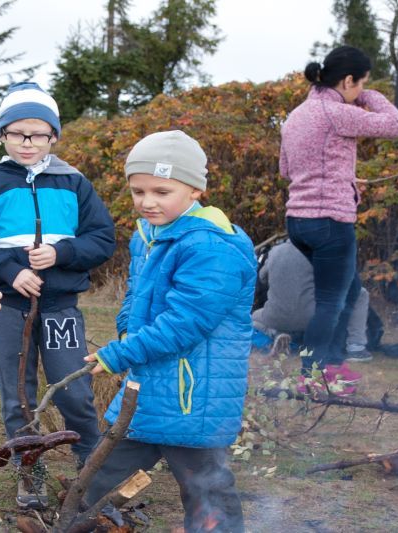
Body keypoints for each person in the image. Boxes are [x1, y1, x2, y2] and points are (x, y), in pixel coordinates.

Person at [0, 82, 116, 509]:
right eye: (17, 132)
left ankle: (91, 470)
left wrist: (62, 252)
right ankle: (30, 474)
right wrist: (8, 269)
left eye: (38, 133)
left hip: (61, 307)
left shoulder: (74, 183)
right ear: (2, 134)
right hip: (7, 307)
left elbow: (103, 239)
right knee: (16, 395)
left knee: (73, 388)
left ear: (53, 137)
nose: (27, 142)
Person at [82, 130, 255, 533]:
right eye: (138, 191)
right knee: (103, 474)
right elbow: (136, 295)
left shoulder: (212, 246)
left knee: (205, 484)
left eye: (161, 191)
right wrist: (125, 330)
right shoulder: (148, 235)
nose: (147, 202)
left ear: (195, 189)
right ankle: (79, 523)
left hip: (192, 393)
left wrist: (120, 354)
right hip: (149, 386)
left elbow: (185, 323)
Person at [279, 45, 398, 389]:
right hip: (330, 222)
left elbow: (286, 170)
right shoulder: (336, 112)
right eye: (361, 84)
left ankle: (331, 365)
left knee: (348, 292)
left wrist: (342, 178)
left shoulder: (296, 116)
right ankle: (312, 375)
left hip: (298, 221)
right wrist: (374, 97)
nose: (361, 93)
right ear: (348, 80)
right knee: (330, 302)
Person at [252, 240, 372, 386]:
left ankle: (275, 332)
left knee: (254, 318)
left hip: (276, 316)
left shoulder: (275, 251)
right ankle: (356, 346)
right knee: (360, 293)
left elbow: (262, 278)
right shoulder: (319, 253)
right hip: (312, 318)